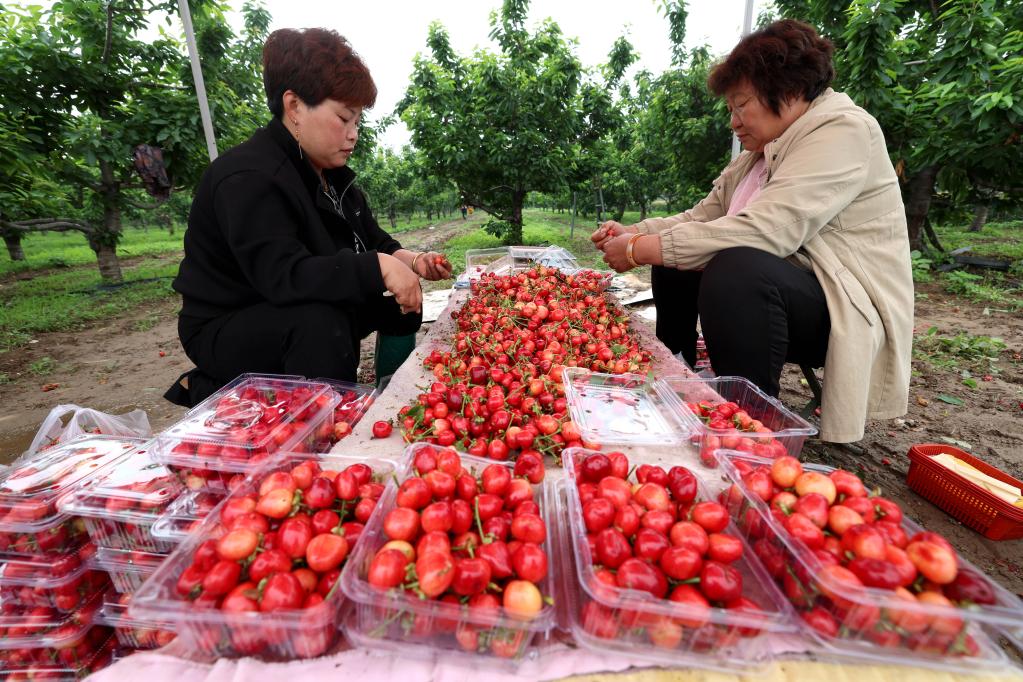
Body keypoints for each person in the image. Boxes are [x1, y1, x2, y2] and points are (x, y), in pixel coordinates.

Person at [592, 19, 912, 443]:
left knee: (736, 266)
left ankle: (752, 428)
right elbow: (699, 219)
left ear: (791, 90)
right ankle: (681, 377)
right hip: (788, 293)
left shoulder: (843, 130)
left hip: (842, 309)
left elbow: (767, 231)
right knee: (676, 257)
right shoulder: (758, 155)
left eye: (741, 105)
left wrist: (642, 248)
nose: (734, 122)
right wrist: (636, 232)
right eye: (731, 109)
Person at [165, 28, 452, 408]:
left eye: (357, 123)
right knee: (320, 322)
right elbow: (282, 276)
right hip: (229, 322)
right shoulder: (249, 176)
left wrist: (410, 262)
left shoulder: (331, 177)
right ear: (295, 106)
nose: (353, 135)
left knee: (399, 304)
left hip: (289, 304)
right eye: (343, 118)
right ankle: (320, 424)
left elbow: (372, 242)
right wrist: (376, 267)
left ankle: (389, 395)